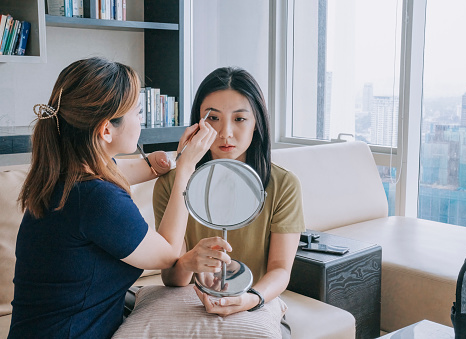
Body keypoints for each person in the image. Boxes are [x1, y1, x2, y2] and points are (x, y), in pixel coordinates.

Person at [8, 57, 216, 338]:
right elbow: (168, 253)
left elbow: (122, 170)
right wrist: (187, 170)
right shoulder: (98, 199)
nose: (141, 121)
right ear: (106, 130)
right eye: (138, 112)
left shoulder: (62, 173)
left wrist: (162, 163)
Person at [152, 67, 305, 335]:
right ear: (197, 123)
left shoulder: (283, 185)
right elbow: (171, 279)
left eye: (240, 119)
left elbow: (280, 270)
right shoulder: (171, 183)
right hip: (189, 303)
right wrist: (188, 262)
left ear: (257, 122)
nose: (225, 132)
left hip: (255, 300)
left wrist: (252, 298)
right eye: (213, 118)